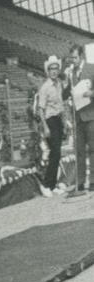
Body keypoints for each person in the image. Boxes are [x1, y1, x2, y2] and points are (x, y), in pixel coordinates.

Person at [35, 56, 67, 195]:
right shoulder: (45, 87)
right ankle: (46, 184)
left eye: (56, 68)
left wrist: (64, 123)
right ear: (47, 71)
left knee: (57, 153)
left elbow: (61, 104)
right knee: (54, 153)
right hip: (49, 121)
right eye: (51, 69)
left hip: (58, 120)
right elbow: (40, 109)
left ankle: (52, 185)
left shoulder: (59, 84)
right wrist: (46, 127)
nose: (54, 71)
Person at [68, 46, 94, 194]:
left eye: (75, 58)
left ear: (82, 57)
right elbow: (68, 92)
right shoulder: (70, 73)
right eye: (71, 58)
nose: (73, 61)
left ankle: (93, 181)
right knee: (79, 151)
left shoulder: (92, 69)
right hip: (77, 116)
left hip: (91, 115)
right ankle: (80, 181)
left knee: (93, 149)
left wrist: (91, 93)